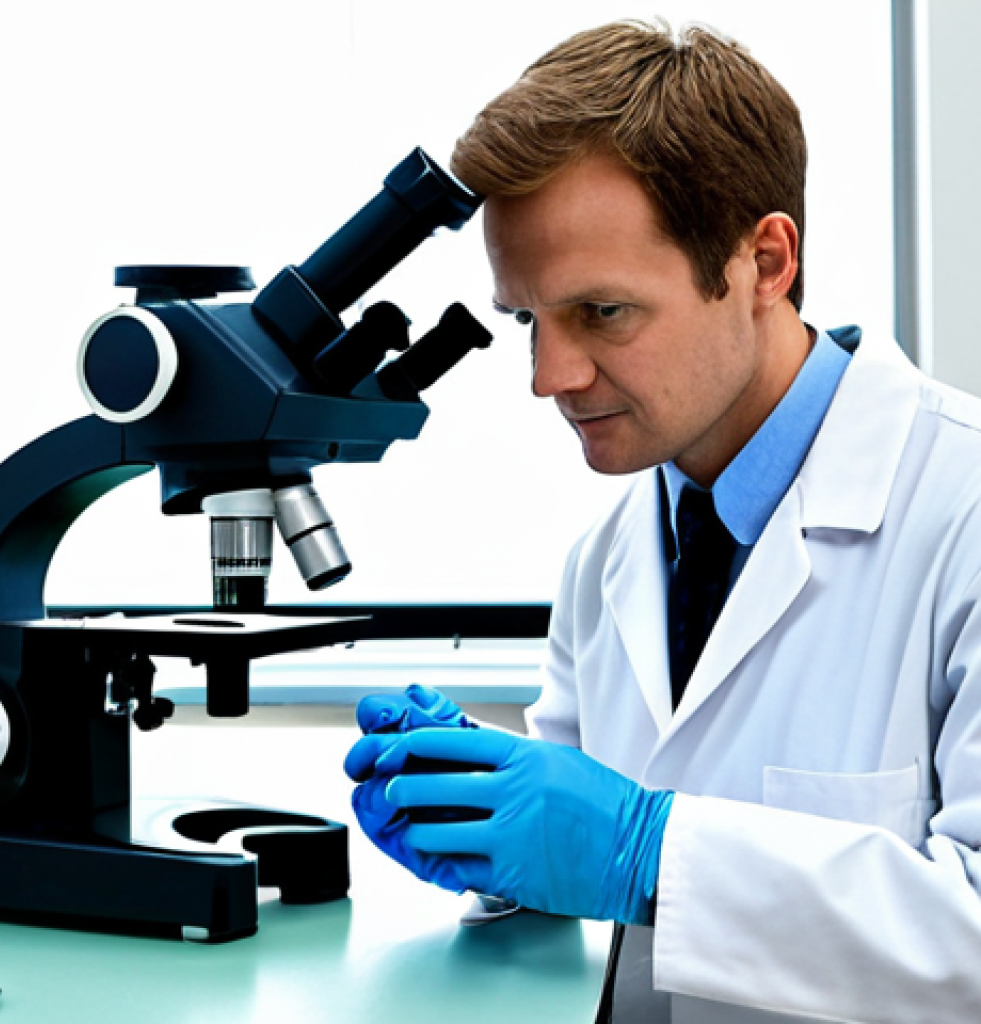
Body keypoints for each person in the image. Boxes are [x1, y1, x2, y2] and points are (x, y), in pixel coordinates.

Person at [344, 21, 981, 1024]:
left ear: (763, 261)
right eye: (527, 320)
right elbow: (581, 851)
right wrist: (475, 808)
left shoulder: (963, 510)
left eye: (602, 313)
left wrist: (646, 852)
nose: (548, 378)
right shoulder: (610, 557)